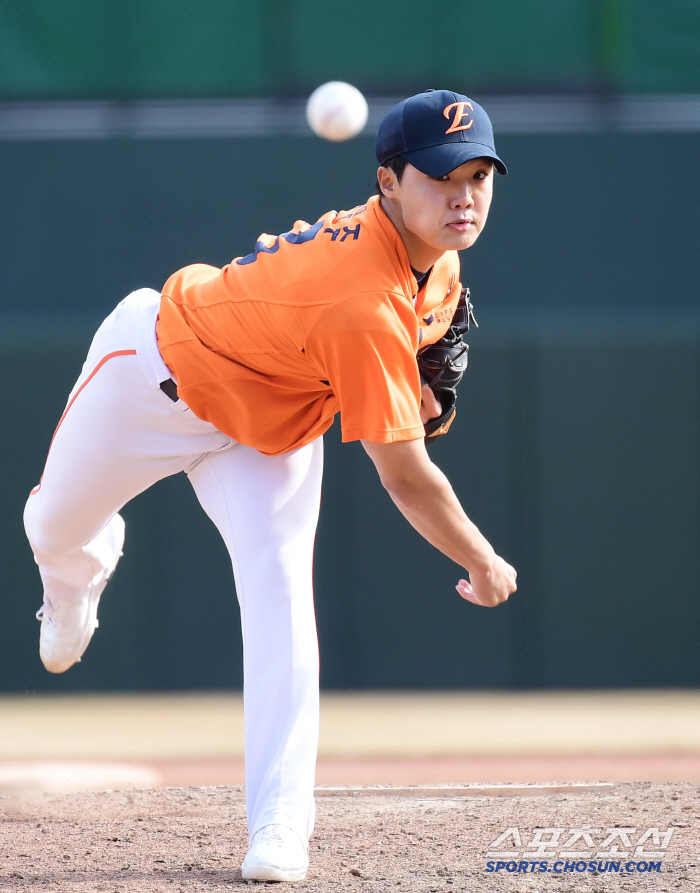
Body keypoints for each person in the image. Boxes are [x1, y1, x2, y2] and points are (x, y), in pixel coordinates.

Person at [23, 89, 517, 883]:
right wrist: (483, 558)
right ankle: (78, 571)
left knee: (283, 596)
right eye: (440, 176)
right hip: (152, 374)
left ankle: (281, 825)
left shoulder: (437, 268)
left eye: (479, 176)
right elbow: (405, 476)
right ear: (388, 182)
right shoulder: (363, 298)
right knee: (50, 526)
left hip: (266, 432)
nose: (463, 196)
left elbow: (414, 391)